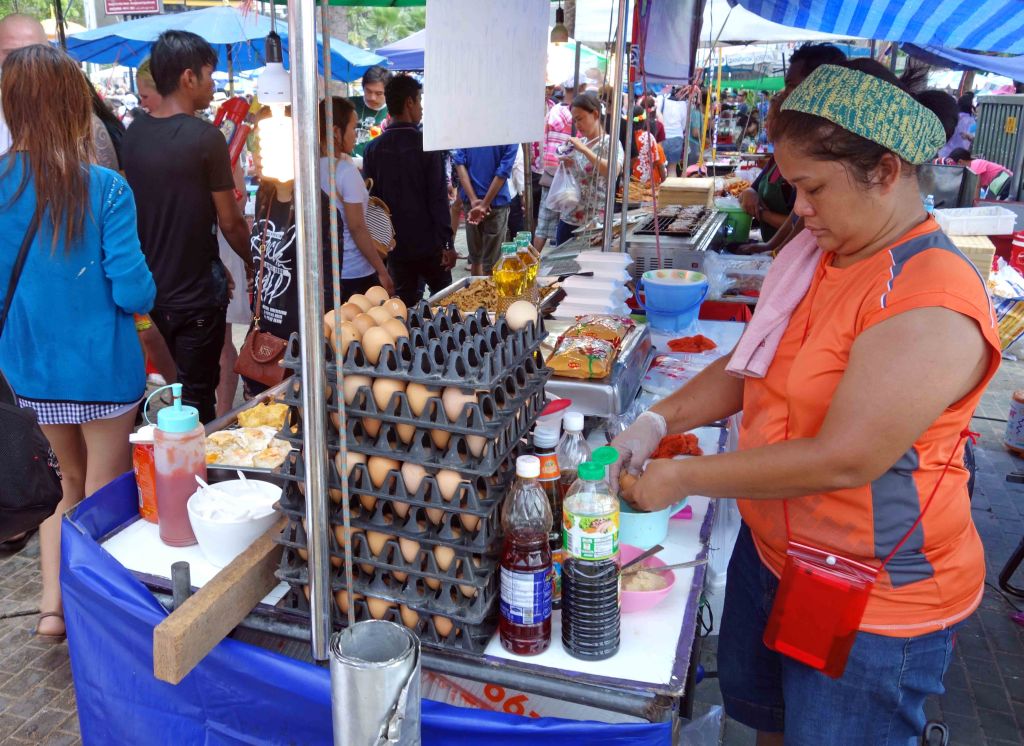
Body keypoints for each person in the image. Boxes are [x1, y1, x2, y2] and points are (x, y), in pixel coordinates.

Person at [613, 59, 1000, 744]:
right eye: (792, 188)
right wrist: (656, 419)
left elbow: (841, 459)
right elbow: (752, 365)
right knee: (770, 726)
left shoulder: (929, 296)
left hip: (868, 596)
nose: (800, 210)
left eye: (813, 188)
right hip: (777, 556)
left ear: (885, 171)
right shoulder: (828, 256)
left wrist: (683, 476)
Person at [0, 45, 155, 639]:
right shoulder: (107, 188)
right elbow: (135, 293)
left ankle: (51, 610)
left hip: (28, 373)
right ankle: (100, 619)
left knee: (57, 487)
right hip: (102, 372)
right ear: (74, 106)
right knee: (101, 494)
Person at [121, 30, 252, 424]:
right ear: (188, 78)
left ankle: (171, 471)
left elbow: (151, 212)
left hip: (150, 295)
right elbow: (229, 221)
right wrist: (253, 260)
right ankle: (199, 480)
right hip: (195, 296)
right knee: (197, 401)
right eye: (210, 76)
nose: (214, 86)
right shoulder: (206, 138)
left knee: (167, 393)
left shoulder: (134, 134)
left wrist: (215, 264)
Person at [362, 74, 455, 308]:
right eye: (419, 101)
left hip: (395, 248)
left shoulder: (372, 149)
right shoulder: (426, 145)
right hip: (430, 245)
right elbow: (437, 199)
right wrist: (447, 244)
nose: (422, 108)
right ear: (409, 103)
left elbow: (372, 204)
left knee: (405, 309)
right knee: (445, 306)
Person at [318, 96, 394, 299]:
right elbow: (357, 227)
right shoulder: (344, 172)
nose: (356, 135)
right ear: (335, 132)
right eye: (353, 128)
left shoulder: (310, 168)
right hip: (355, 272)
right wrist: (382, 270)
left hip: (325, 270)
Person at [554, 91, 624, 246]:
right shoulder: (581, 142)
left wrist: (584, 150)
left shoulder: (610, 143)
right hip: (568, 219)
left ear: (595, 114)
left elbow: (613, 172)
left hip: (594, 223)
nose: (577, 125)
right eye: (574, 121)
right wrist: (567, 164)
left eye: (580, 119)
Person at [452, 143, 518, 275]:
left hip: (471, 203)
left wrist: (473, 200)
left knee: (476, 259)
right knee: (493, 263)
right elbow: (503, 170)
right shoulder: (510, 133)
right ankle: (489, 295)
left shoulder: (465, 130)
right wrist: (484, 203)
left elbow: (459, 164)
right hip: (496, 200)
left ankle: (476, 294)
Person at [535, 80, 575, 252]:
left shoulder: (553, 111)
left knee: (544, 225)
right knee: (565, 222)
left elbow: (542, 141)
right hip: (565, 174)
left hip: (551, 171)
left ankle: (532, 266)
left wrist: (540, 165)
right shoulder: (572, 114)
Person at [349, 65, 391, 160]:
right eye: (368, 91)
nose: (372, 97)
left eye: (379, 93)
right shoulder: (348, 105)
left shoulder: (394, 112)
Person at [628, 105, 667, 193]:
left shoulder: (625, 136)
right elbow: (657, 162)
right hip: (647, 187)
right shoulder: (648, 137)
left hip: (629, 185)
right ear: (644, 120)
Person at [948, 147, 1014, 196]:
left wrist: (975, 205)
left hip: (1006, 181)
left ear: (960, 161)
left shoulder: (975, 164)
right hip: (1000, 184)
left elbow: (977, 187)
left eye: (955, 166)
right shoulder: (971, 166)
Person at [939, 93, 976, 159]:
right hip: (959, 157)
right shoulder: (972, 122)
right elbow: (973, 137)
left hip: (943, 153)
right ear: (971, 106)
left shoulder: (950, 117)